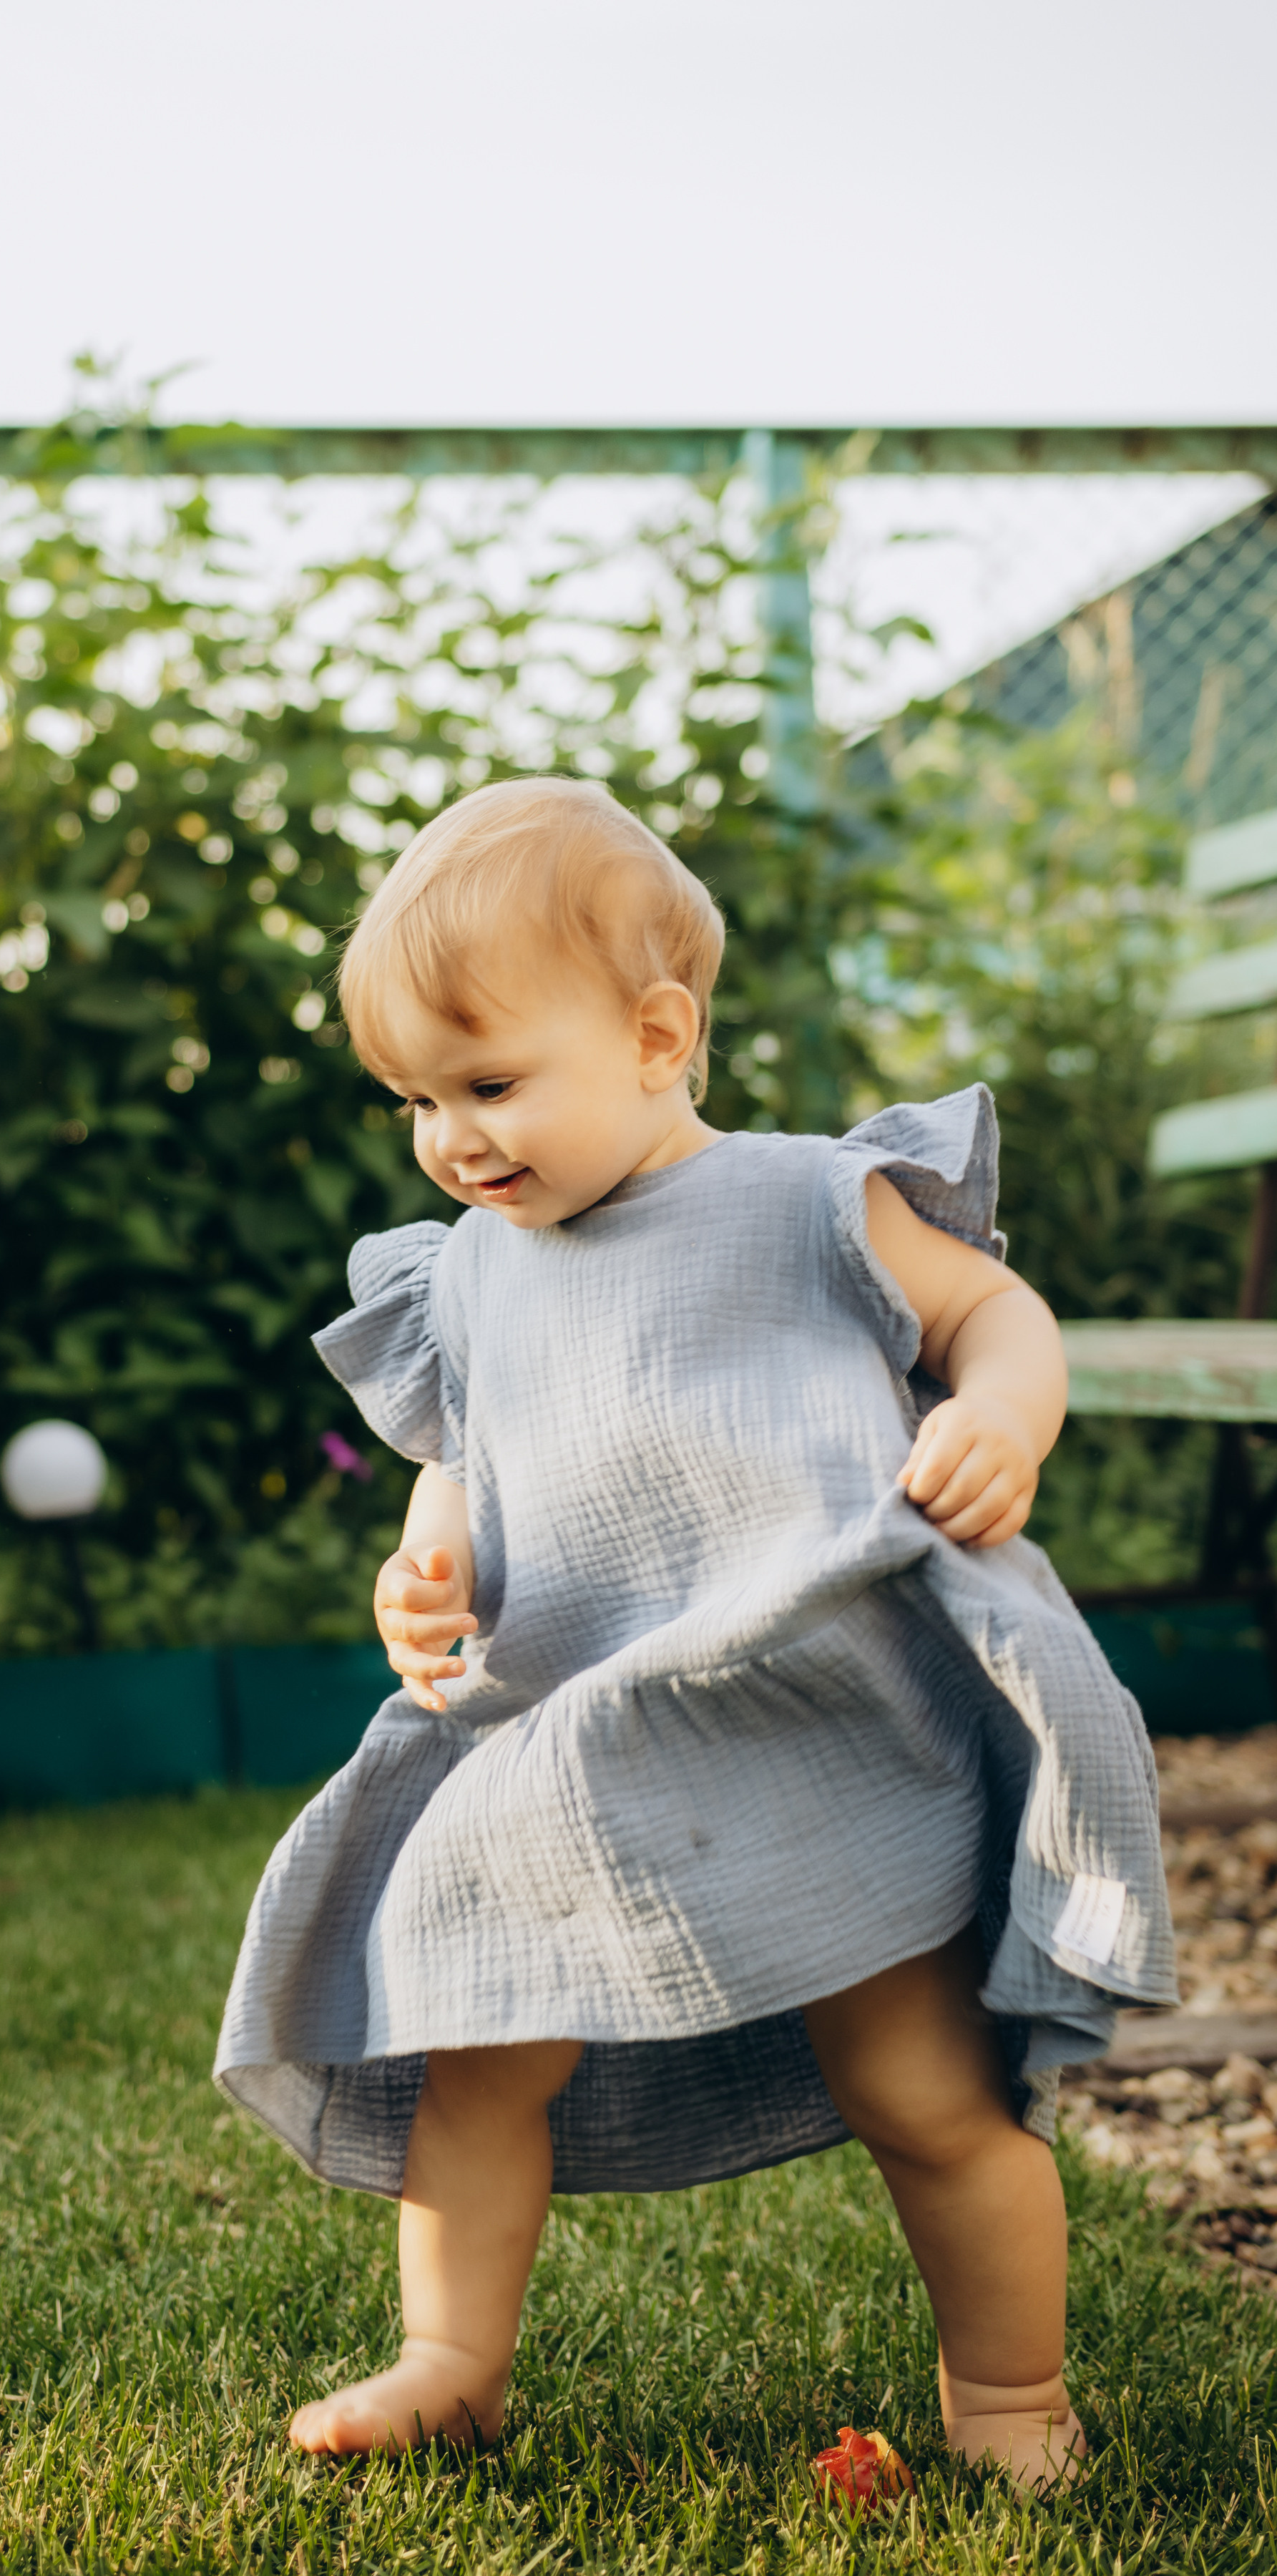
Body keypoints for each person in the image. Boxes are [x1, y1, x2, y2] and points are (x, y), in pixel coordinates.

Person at [214, 777, 1174, 2489]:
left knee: (927, 2099)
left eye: (491, 1083)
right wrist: (426, 1565)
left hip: (810, 1725)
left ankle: (1011, 2398)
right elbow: (466, 1467)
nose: (453, 1137)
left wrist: (1006, 1417)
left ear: (658, 1036)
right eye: (417, 1099)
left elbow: (994, 1313)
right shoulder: (472, 1274)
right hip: (565, 1742)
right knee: (477, 2064)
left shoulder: (812, 1202)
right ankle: (449, 2358)